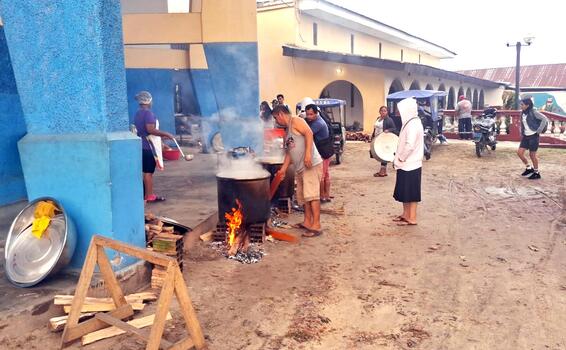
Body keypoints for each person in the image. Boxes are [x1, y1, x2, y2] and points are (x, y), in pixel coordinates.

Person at [272, 105, 324, 237]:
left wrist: (307, 155)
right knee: (305, 196)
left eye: (275, 118)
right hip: (301, 167)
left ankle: (316, 226)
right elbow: (290, 152)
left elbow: (309, 133)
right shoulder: (288, 129)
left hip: (310, 164)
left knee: (312, 196)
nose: (276, 121)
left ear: (280, 114)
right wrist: (283, 170)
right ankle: (307, 222)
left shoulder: (296, 121)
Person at [134, 91, 175, 203]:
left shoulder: (138, 113)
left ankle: (147, 194)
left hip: (142, 145)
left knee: (146, 172)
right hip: (148, 148)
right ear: (148, 101)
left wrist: (161, 139)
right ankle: (149, 196)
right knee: (148, 172)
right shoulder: (148, 114)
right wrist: (166, 134)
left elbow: (144, 131)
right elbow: (150, 130)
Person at [392, 98, 423, 226]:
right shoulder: (410, 122)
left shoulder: (414, 124)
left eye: (400, 110)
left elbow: (409, 145)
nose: (398, 113)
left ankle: (412, 217)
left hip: (411, 164)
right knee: (405, 191)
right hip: (405, 165)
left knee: (412, 192)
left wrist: (401, 158)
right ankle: (405, 215)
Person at [304, 104, 333, 203]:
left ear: (316, 113)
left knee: (321, 175)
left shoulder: (318, 123)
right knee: (326, 174)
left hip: (323, 151)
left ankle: (322, 196)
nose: (309, 117)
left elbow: (307, 134)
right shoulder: (318, 120)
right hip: (326, 150)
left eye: (311, 114)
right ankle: (326, 195)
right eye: (307, 114)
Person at [517, 97, 548, 180]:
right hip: (525, 136)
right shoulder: (523, 113)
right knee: (520, 153)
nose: (521, 106)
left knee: (532, 155)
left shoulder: (533, 112)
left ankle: (536, 172)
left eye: (522, 104)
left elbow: (544, 119)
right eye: (521, 104)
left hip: (533, 136)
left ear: (527, 105)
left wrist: (539, 130)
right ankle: (528, 168)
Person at [371, 105, 397, 177]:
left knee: (383, 154)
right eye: (382, 110)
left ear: (387, 112)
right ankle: (383, 171)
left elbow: (394, 128)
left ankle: (382, 172)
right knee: (378, 154)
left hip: (384, 139)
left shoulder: (389, 120)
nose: (383, 112)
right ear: (379, 112)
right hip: (377, 138)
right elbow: (375, 128)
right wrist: (373, 136)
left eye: (385, 111)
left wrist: (388, 130)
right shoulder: (378, 118)